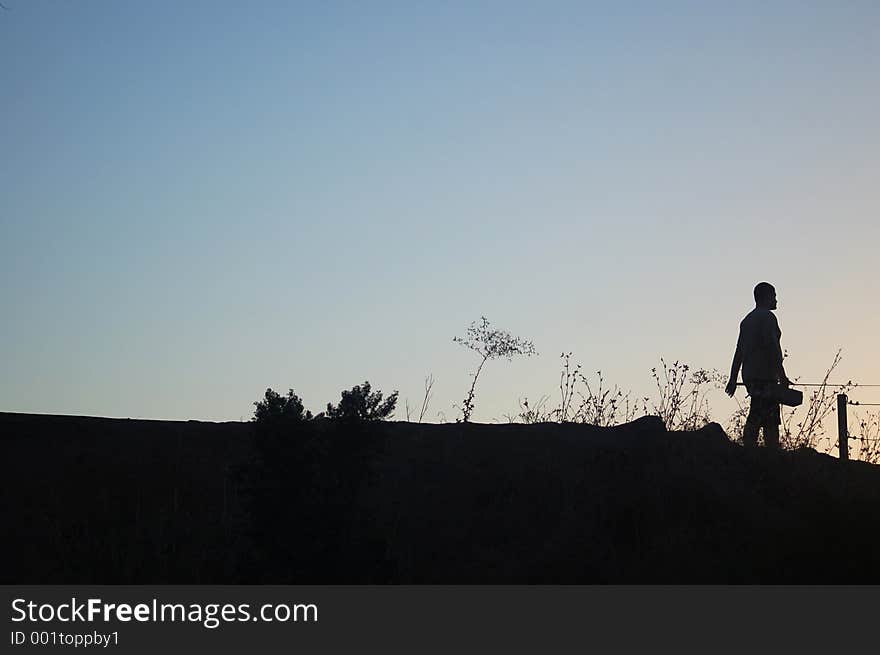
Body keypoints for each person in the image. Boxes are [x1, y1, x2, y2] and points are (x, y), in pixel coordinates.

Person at [725, 282, 791, 449]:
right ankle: (767, 455)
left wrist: (733, 378)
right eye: (773, 295)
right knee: (769, 420)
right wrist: (782, 376)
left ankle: (750, 450)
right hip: (765, 377)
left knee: (758, 410)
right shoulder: (768, 317)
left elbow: (738, 351)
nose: (776, 300)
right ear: (765, 297)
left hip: (750, 376)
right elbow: (772, 348)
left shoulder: (747, 320)